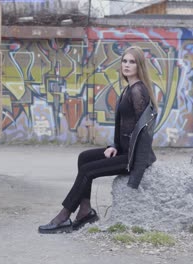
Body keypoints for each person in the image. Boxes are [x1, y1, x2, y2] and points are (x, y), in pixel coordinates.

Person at [38, 46, 159, 234]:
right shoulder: (128, 90)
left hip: (133, 158)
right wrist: (114, 146)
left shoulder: (138, 92)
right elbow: (125, 127)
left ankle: (63, 216)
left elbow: (144, 133)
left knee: (88, 171)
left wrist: (136, 172)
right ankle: (85, 211)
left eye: (132, 62)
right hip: (124, 151)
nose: (127, 65)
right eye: (124, 61)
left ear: (139, 66)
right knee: (84, 158)